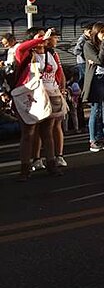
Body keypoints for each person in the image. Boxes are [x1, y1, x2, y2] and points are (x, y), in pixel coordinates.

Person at [14, 28, 66, 180]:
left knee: (47, 132)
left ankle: (51, 164)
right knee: (28, 133)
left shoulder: (51, 54)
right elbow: (22, 47)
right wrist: (38, 40)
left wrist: (61, 88)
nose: (45, 39)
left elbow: (57, 73)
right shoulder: (25, 53)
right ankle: (25, 169)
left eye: (45, 36)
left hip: (50, 96)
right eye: (40, 36)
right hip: (31, 98)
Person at [83, 22, 104, 152]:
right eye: (102, 32)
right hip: (97, 80)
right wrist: (103, 48)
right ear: (96, 33)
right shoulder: (89, 45)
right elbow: (100, 60)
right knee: (96, 110)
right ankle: (93, 139)